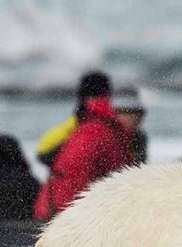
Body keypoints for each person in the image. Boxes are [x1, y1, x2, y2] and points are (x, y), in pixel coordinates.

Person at [32, 72, 134, 220]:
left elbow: (44, 152)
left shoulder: (86, 124)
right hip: (65, 214)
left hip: (54, 204)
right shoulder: (100, 128)